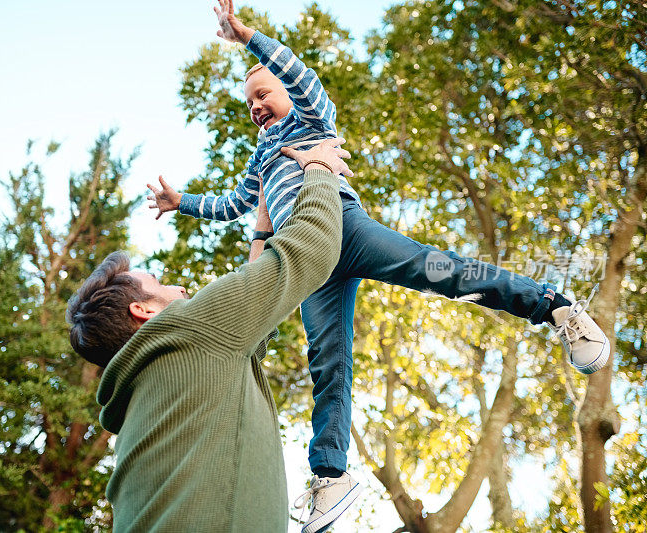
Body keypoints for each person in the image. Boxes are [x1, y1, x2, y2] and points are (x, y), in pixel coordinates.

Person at [146, 2, 611, 531]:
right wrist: (180, 200)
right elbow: (233, 205)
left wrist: (248, 37)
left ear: (286, 93)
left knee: (444, 272)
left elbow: (302, 78)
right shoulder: (260, 157)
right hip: (306, 253)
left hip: (345, 227)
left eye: (262, 94)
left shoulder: (310, 117)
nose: (255, 106)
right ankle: (331, 474)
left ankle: (556, 308)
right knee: (328, 362)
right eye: (248, 102)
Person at [66, 140, 352, 532]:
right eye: (160, 283)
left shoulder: (141, 399)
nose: (181, 290)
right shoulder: (190, 328)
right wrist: (319, 168)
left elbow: (251, 329)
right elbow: (310, 250)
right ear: (143, 311)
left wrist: (262, 226)